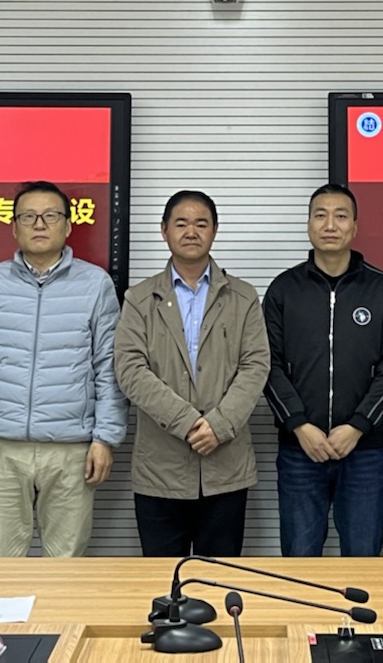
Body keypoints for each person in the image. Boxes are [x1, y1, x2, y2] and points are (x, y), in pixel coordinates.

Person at [0, 180, 127, 557]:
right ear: (14, 227)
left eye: (50, 216)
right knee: (0, 560)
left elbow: (109, 366)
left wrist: (105, 439)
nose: (40, 224)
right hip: (0, 446)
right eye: (28, 216)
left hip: (71, 448)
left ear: (68, 225)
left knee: (65, 562)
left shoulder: (95, 284)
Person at [114, 190, 269, 557]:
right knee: (162, 578)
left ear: (215, 230)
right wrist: (187, 422)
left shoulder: (243, 297)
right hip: (160, 469)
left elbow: (256, 364)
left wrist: (219, 425)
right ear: (164, 230)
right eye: (181, 223)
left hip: (225, 466)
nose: (191, 232)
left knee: (218, 575)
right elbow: (130, 368)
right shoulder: (139, 298)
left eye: (201, 223)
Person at [262, 183, 383, 556]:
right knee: (300, 559)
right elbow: (267, 363)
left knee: (363, 558)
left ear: (355, 227)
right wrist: (299, 425)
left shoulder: (382, 289)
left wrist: (358, 425)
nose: (330, 225)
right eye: (321, 215)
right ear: (308, 225)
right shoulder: (283, 289)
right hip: (300, 450)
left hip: (363, 451)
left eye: (340, 216)